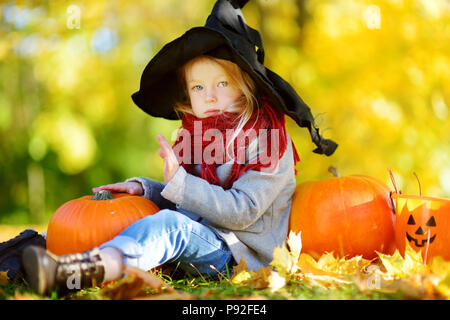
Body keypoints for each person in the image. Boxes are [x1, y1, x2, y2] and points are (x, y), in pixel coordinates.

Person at [22, 0, 337, 295]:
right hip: (199, 235)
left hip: (240, 254)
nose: (209, 96)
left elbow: (242, 212)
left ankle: (84, 271)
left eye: (221, 84)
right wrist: (146, 190)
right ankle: (49, 256)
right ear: (188, 96)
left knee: (169, 226)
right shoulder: (196, 136)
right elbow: (187, 198)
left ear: (246, 86)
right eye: (198, 87)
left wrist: (180, 184)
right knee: (131, 215)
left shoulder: (268, 142)